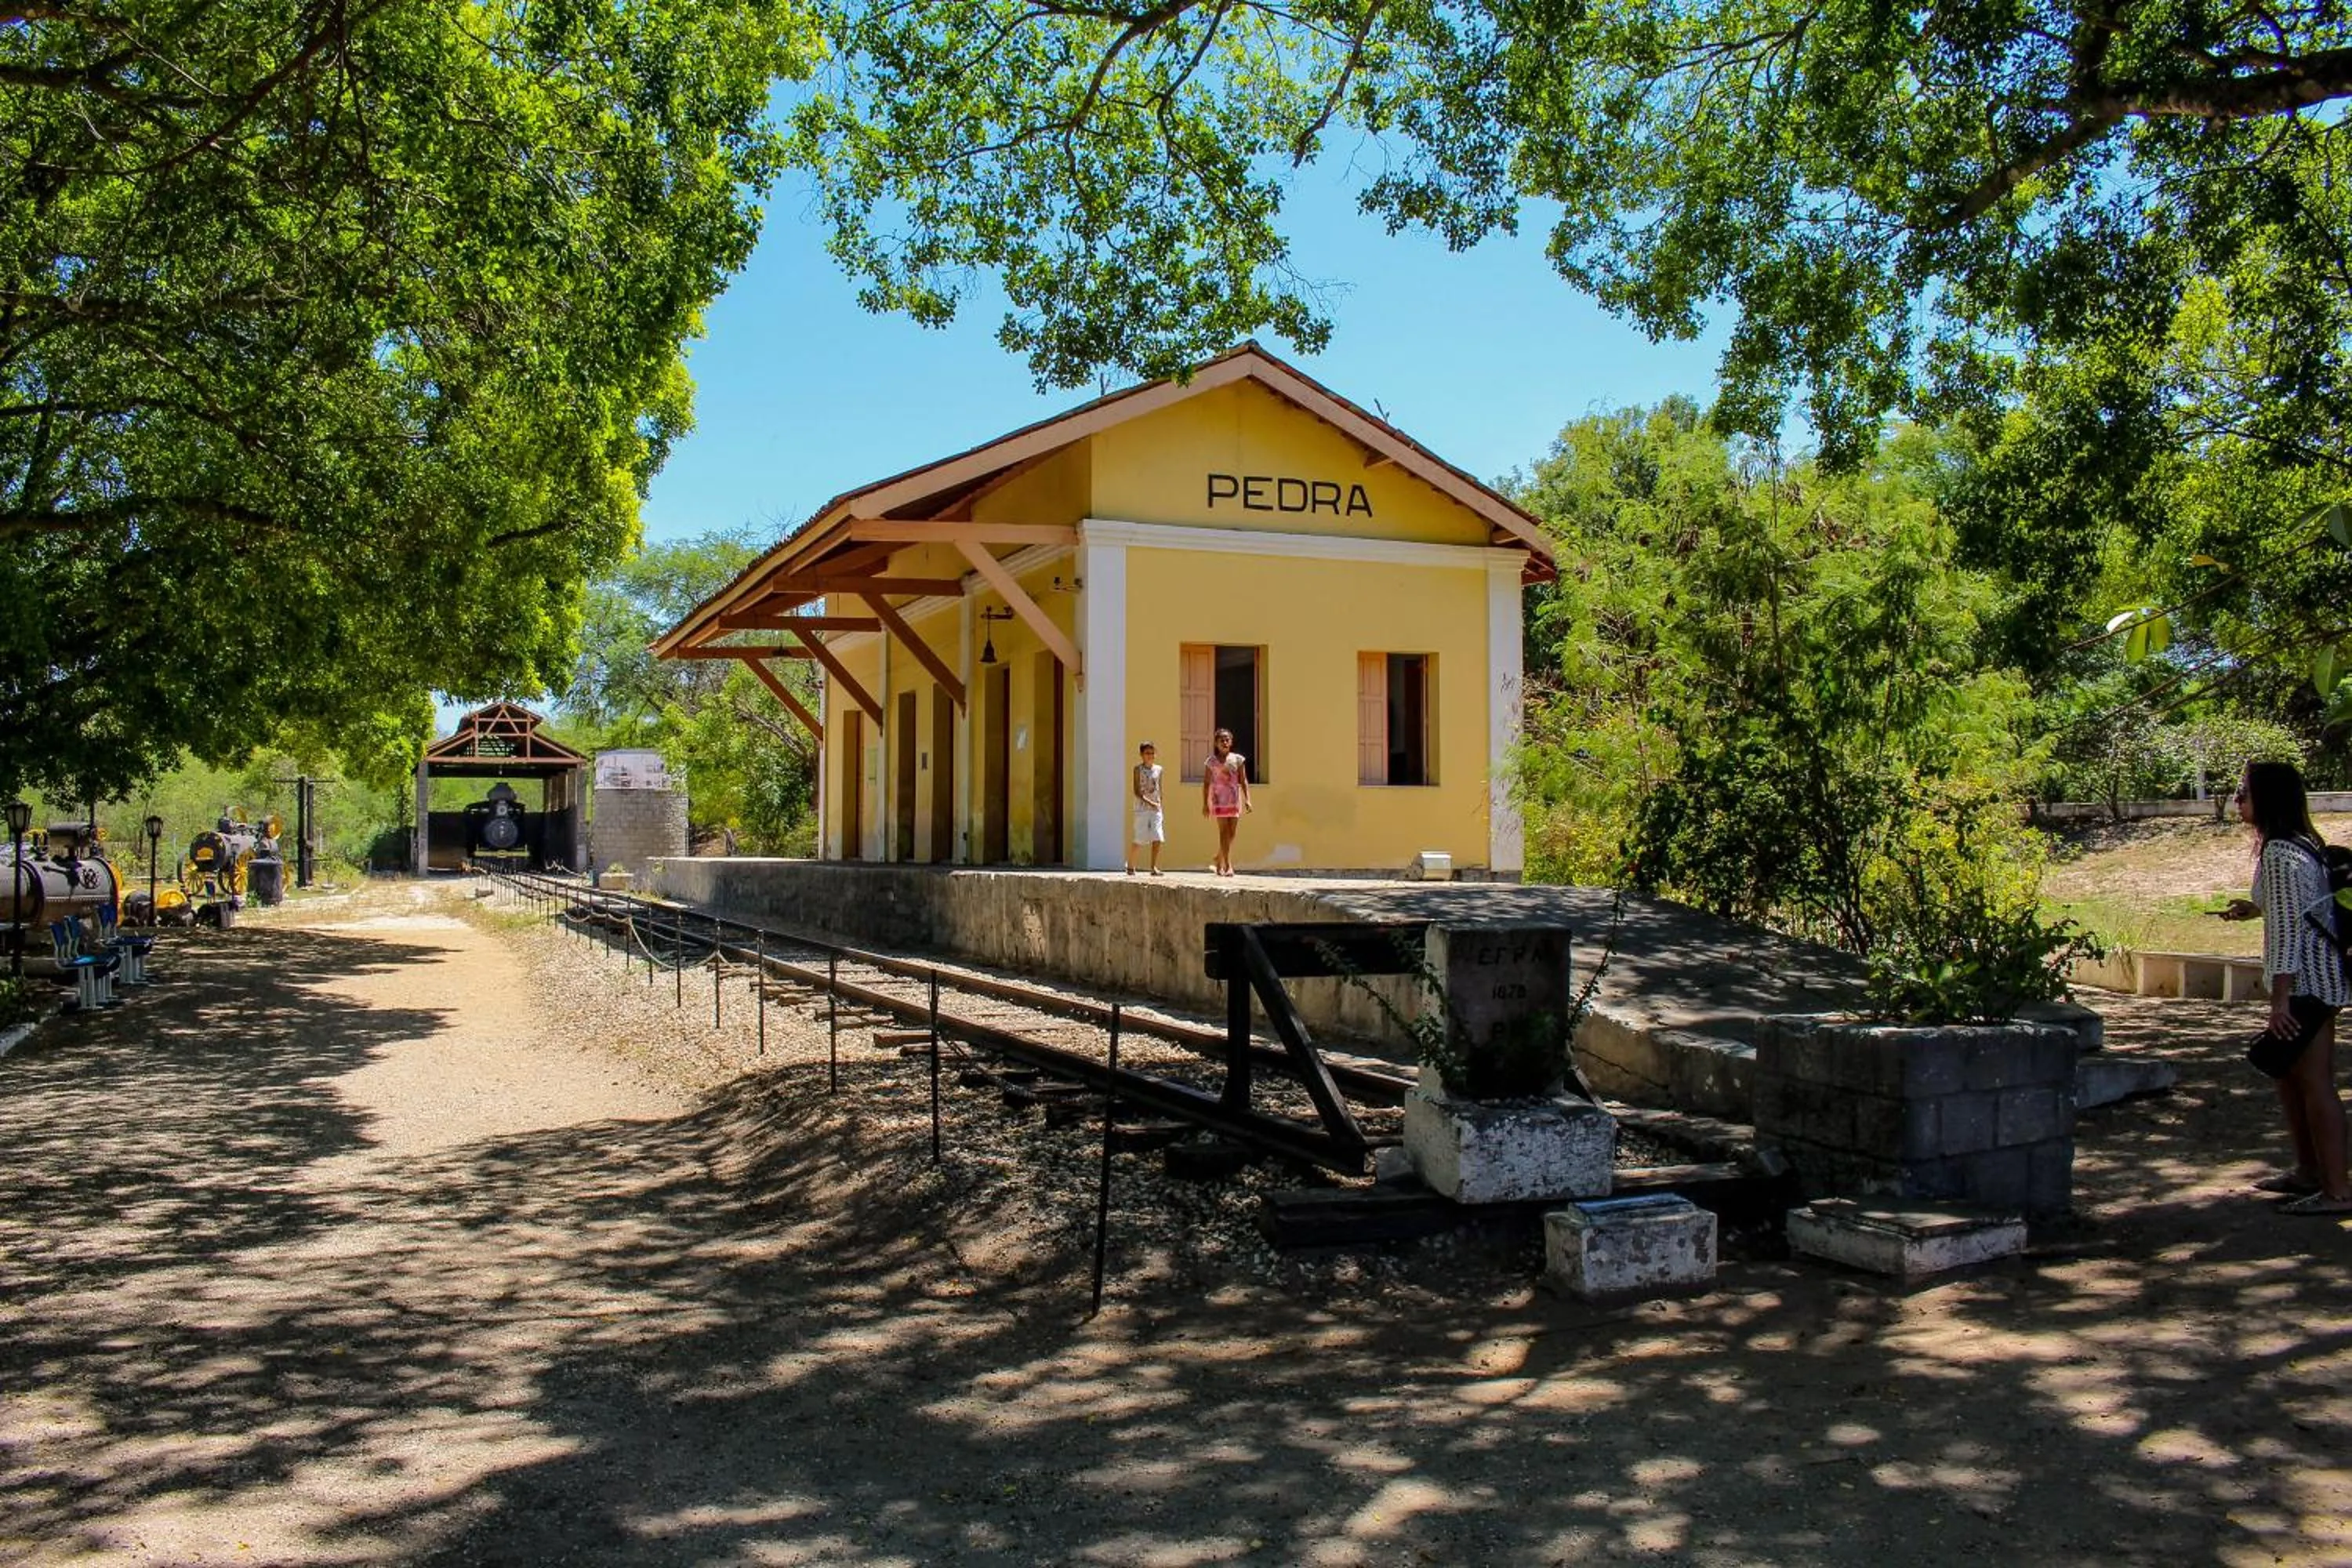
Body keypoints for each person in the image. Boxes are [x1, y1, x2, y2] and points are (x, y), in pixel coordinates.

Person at [2217, 760, 2352, 1214]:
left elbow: (2288, 933)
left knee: (2314, 1083)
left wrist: (2280, 1001)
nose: (2237, 800)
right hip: (2318, 977)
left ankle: (2337, 1190)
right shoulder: (2298, 843)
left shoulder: (2280, 853)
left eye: (2244, 793)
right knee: (2289, 1076)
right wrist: (2254, 908)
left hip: (2308, 983)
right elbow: (2293, 905)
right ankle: (2308, 1172)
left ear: (2268, 798)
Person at [1200, 727, 1251, 877]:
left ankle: (1219, 857)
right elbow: (1206, 783)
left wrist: (1248, 799)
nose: (1224, 742)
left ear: (1231, 742)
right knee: (1223, 832)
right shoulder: (1211, 761)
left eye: (1227, 740)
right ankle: (1228, 865)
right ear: (1216, 743)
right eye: (1221, 740)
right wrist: (1205, 803)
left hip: (1234, 800)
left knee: (1232, 833)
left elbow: (1243, 780)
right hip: (1219, 801)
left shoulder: (1238, 759)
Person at [1126, 742, 1164, 876]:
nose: (1150, 756)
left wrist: (1159, 804)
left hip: (1156, 808)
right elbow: (1137, 791)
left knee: (1158, 836)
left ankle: (1153, 867)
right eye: (1147, 753)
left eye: (1152, 753)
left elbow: (1159, 788)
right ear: (1141, 754)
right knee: (1140, 838)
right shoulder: (1138, 769)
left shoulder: (1159, 769)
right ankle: (1131, 865)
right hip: (1142, 809)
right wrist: (1150, 803)